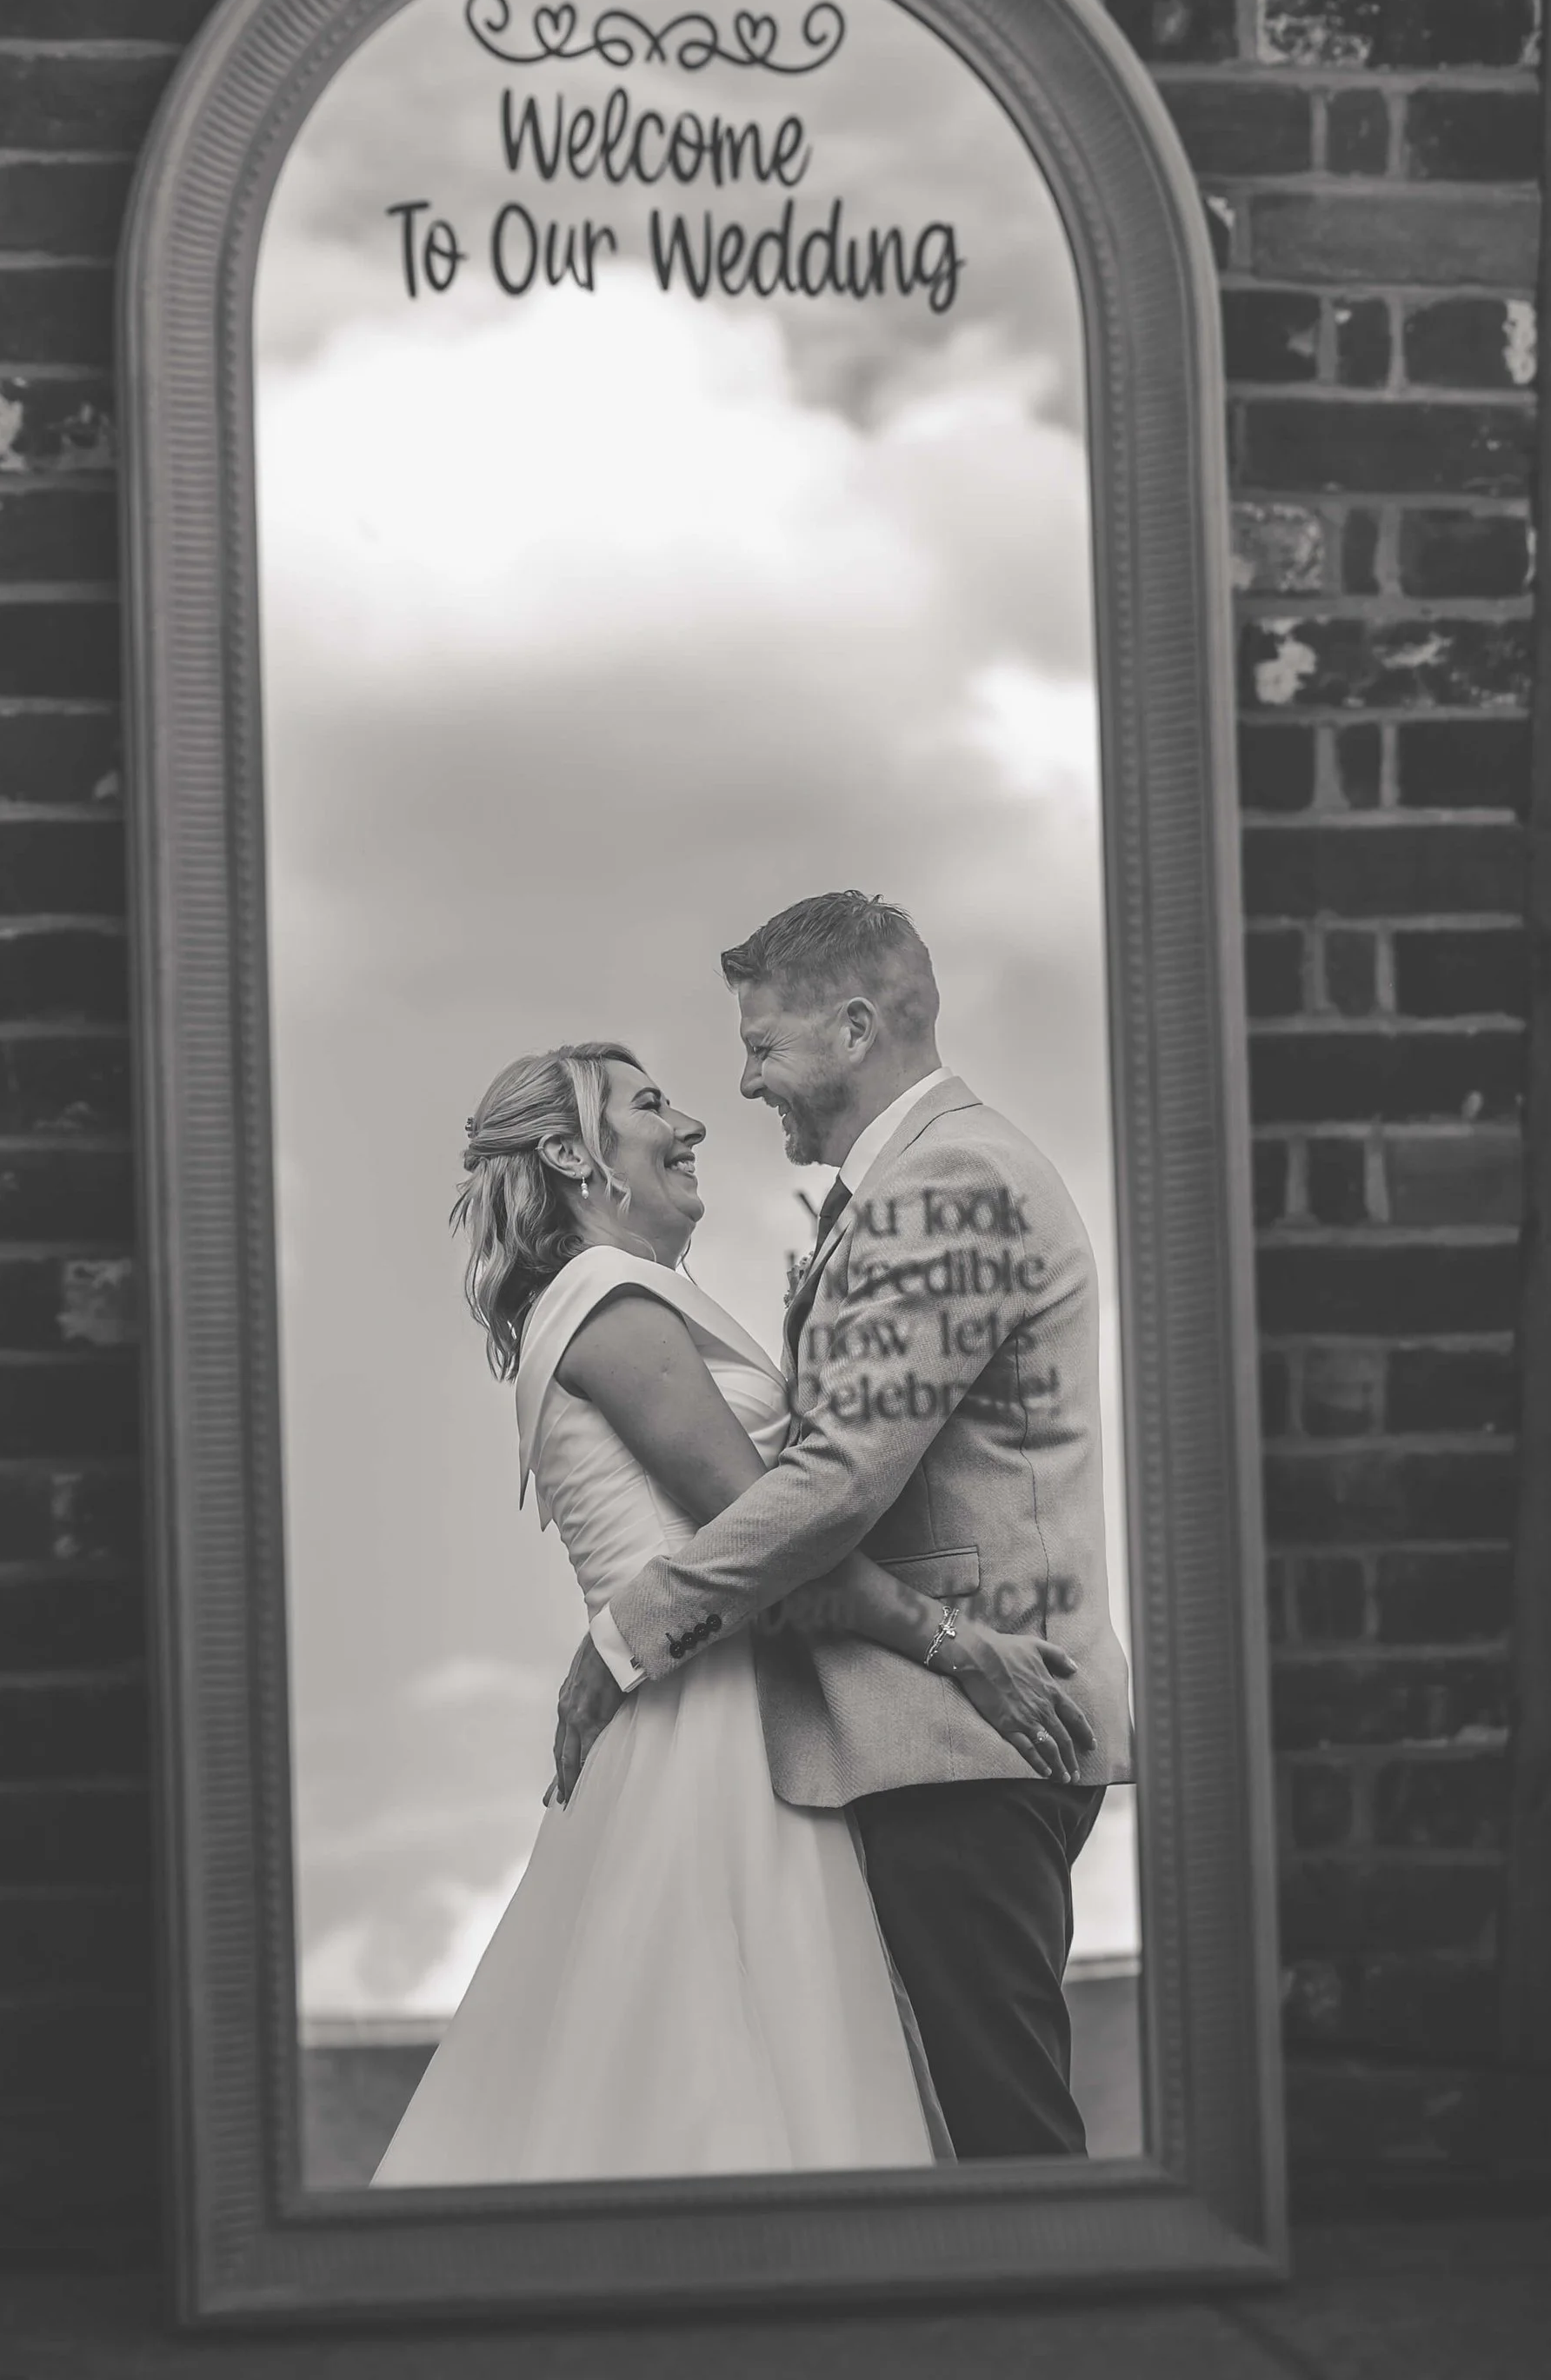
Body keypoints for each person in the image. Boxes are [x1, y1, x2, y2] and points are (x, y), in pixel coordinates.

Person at [372, 1039, 1092, 2185]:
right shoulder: (607, 1303)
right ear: (569, 1152)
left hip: (739, 1719)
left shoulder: (633, 1299)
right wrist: (960, 1650)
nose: (691, 1123)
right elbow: (771, 1543)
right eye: (649, 1104)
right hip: (707, 1744)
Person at [557, 894, 1135, 2160]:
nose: (746, 1079)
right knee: (963, 2129)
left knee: (1008, 2137)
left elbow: (837, 1479)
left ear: (856, 1024)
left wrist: (631, 1629)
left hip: (964, 1735)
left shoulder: (949, 1181)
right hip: (937, 1736)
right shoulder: (918, 1184)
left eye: (763, 1044)